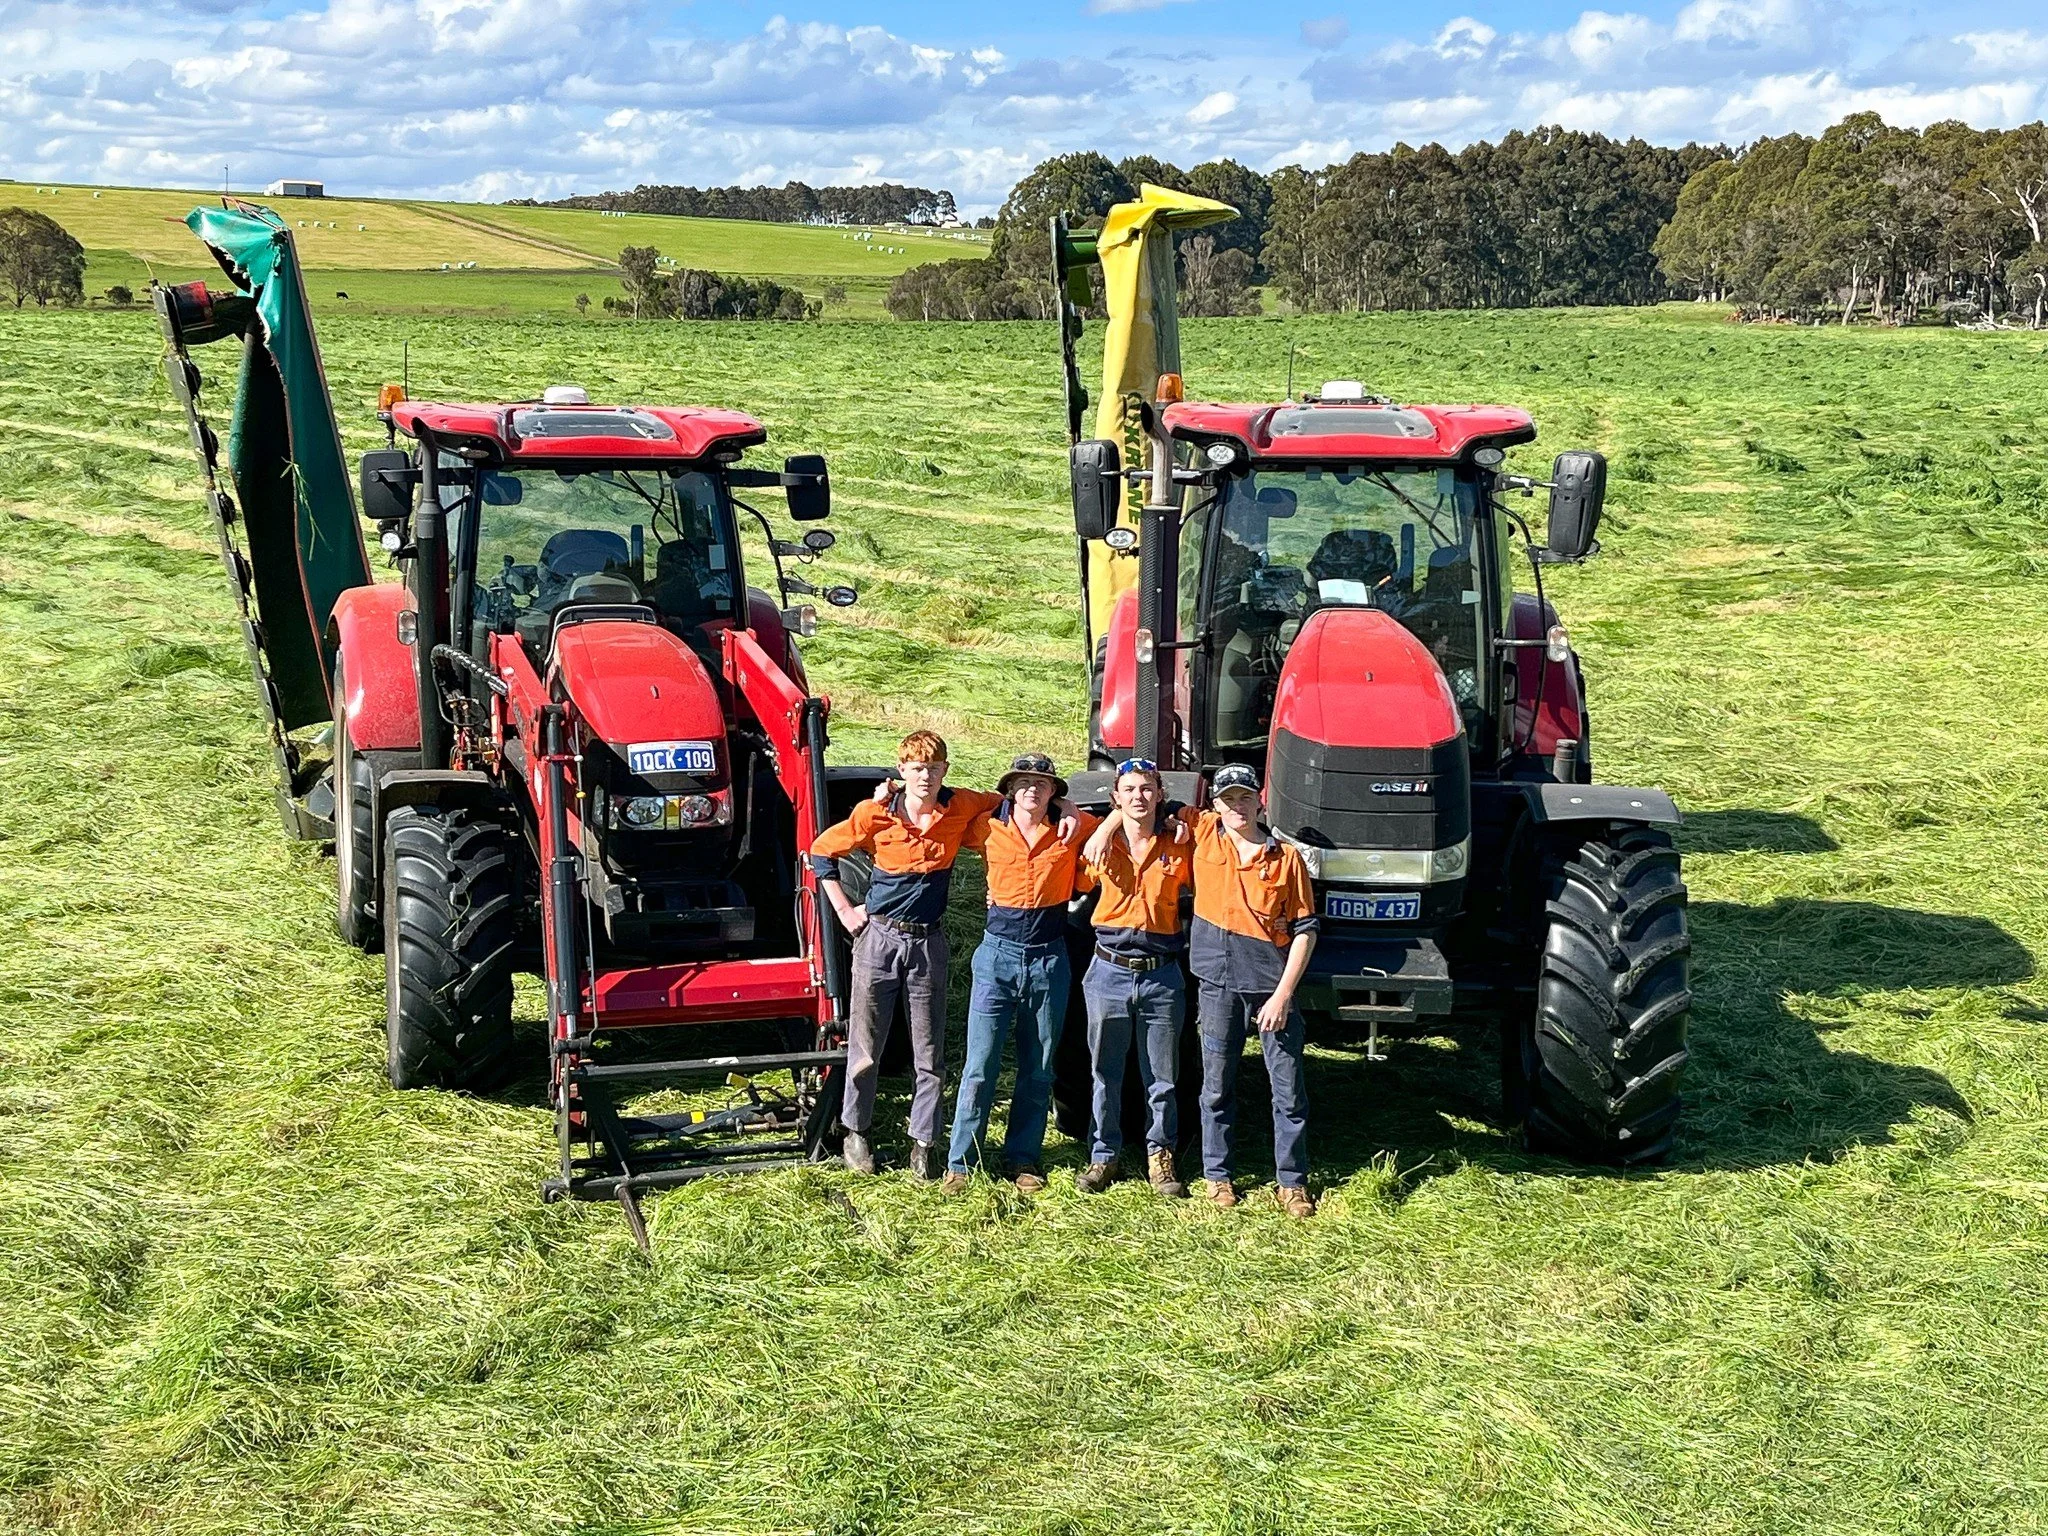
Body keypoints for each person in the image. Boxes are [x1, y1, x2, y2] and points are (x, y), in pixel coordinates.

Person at [1088, 763, 1320, 1216]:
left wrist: (1284, 995)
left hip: (1270, 987)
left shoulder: (1285, 858)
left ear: (1260, 802)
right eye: (1227, 798)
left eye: (1245, 798)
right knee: (1215, 1088)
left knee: (1288, 1090)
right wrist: (1106, 827)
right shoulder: (1200, 833)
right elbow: (1141, 805)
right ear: (1214, 804)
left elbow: (1305, 930)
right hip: (1216, 986)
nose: (1237, 806)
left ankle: (1291, 1182)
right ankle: (1218, 1175)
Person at [810, 730, 1000, 1180]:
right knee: (866, 1044)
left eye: (933, 769)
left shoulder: (961, 806)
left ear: (945, 772)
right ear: (902, 771)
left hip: (929, 943)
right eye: (917, 769)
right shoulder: (874, 813)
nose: (926, 777)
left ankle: (924, 1142)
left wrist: (1066, 807)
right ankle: (856, 1131)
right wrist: (843, 909)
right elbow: (821, 852)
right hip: (878, 939)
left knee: (929, 1051)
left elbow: (1005, 802)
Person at [941, 753, 1097, 1195]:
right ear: (1010, 789)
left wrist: (1071, 811)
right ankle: (961, 1161)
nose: (1033, 789)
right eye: (1024, 782)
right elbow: (950, 808)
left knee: (1039, 1067)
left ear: (1053, 792)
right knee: (979, 1064)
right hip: (997, 957)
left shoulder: (1069, 832)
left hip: (1050, 957)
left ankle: (1023, 1157)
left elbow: (1107, 826)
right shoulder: (986, 827)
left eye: (1043, 784)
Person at [1074, 758, 1197, 1198]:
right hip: (1108, 970)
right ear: (1116, 798)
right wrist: (1105, 827)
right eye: (1129, 790)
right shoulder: (1100, 845)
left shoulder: (1180, 843)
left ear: (1159, 794)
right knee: (1104, 1071)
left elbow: (1214, 824)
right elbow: (1066, 880)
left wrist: (1179, 815)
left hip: (1162, 974)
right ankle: (1103, 1155)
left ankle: (1159, 1158)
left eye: (1147, 789)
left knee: (1162, 1076)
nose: (1138, 797)